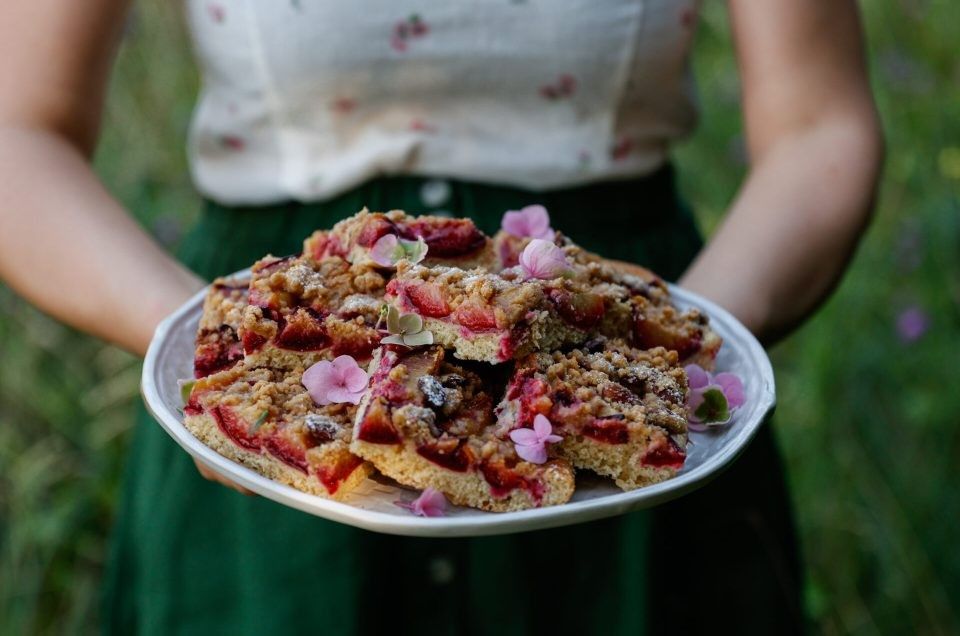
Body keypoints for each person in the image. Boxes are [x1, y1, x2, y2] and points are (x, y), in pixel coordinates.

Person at [0, 1, 882, 634]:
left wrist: (683, 356)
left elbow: (819, 126)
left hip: (612, 338)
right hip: (289, 350)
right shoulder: (247, 358)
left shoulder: (650, 360)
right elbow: (18, 133)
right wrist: (208, 344)